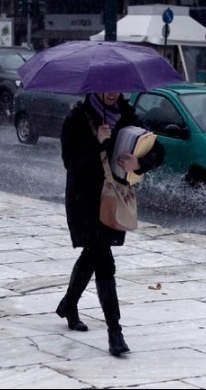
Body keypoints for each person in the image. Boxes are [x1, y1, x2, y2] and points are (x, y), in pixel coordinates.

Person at [57, 92, 165, 357]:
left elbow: (159, 150)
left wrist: (138, 162)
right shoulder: (77, 118)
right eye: (106, 86)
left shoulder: (128, 117)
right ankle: (115, 332)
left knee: (93, 255)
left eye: (117, 86)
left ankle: (69, 304)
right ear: (94, 88)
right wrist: (96, 142)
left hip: (112, 198)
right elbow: (70, 163)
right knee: (104, 259)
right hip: (84, 200)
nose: (112, 91)